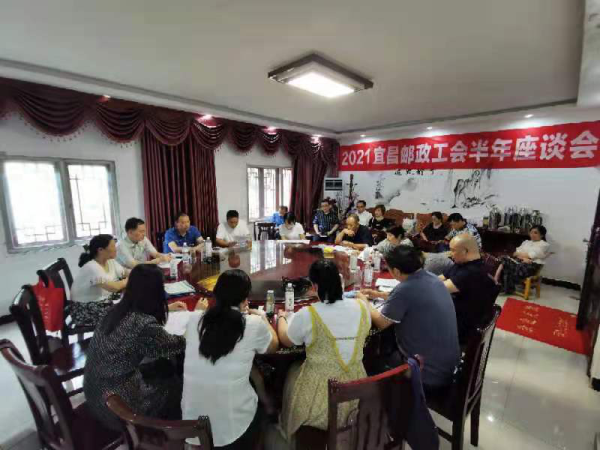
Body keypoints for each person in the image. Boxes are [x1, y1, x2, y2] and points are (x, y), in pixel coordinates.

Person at [83, 264, 193, 431]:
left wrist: (168, 309)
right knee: (176, 384)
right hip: (119, 410)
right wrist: (194, 317)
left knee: (161, 365)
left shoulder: (114, 310)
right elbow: (177, 344)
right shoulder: (143, 325)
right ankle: (172, 431)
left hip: (95, 394)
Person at [276, 260, 371, 443]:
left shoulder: (308, 314)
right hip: (356, 387)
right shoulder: (361, 307)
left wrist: (282, 318)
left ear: (315, 287)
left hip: (320, 392)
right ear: (340, 281)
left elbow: (287, 340)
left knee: (292, 372)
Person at [182, 270, 279, 449]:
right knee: (263, 408)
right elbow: (272, 346)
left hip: (193, 428)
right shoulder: (252, 323)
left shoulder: (195, 319)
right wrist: (263, 319)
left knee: (246, 367)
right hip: (234, 429)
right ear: (244, 299)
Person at [361, 245, 460, 389]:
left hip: (426, 373)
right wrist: (378, 294)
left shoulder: (405, 289)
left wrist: (363, 301)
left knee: (371, 359)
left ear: (396, 271)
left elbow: (381, 322)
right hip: (447, 366)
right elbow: (408, 297)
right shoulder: (431, 278)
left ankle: (385, 396)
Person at [439, 234, 498, 344]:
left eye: (453, 250)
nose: (450, 254)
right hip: (457, 313)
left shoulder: (471, 272)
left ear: (465, 251)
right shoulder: (462, 263)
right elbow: (441, 278)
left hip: (461, 327)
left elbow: (437, 288)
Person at [70, 234, 129, 328]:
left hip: (101, 302)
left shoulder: (110, 261)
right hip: (86, 310)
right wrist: (130, 279)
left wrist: (139, 272)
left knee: (130, 306)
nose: (116, 249)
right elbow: (114, 288)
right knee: (127, 315)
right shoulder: (92, 267)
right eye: (112, 246)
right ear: (100, 250)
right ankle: (116, 336)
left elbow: (125, 273)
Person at [500, 225, 550, 294]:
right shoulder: (526, 242)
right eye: (531, 232)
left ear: (542, 235)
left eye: (535, 233)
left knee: (506, 263)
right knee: (504, 260)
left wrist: (522, 255)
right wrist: (524, 257)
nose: (532, 234)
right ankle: (505, 287)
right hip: (520, 263)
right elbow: (515, 253)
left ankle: (504, 286)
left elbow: (531, 255)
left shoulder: (544, 244)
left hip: (531, 267)